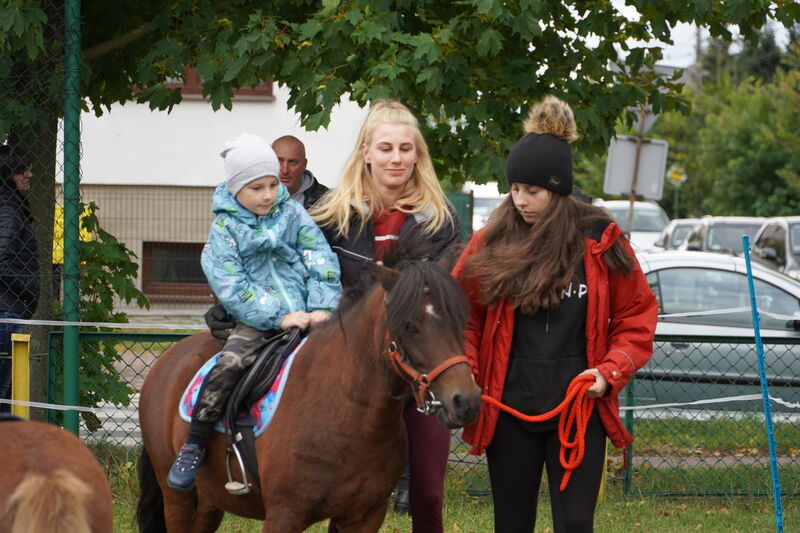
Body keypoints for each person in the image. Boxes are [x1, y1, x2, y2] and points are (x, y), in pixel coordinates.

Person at [451, 96, 658, 533]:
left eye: (533, 191)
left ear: (558, 189)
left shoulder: (602, 241)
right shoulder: (492, 241)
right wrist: (468, 371)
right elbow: (462, 314)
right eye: (515, 189)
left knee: (577, 523)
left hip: (579, 409)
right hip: (508, 409)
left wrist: (610, 372)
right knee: (511, 523)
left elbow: (636, 318)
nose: (520, 200)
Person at [310, 100, 462, 533]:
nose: (396, 158)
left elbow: (440, 292)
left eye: (405, 149)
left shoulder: (440, 222)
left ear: (418, 155)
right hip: (348, 365)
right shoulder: (331, 216)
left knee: (428, 491)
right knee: (335, 486)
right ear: (366, 152)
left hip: (419, 363)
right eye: (386, 148)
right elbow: (312, 276)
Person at [167, 134, 342, 492]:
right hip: (259, 320)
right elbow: (231, 286)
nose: (266, 195)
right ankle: (194, 444)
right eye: (256, 187)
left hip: (311, 314)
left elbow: (320, 258)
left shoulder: (292, 212)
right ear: (235, 190)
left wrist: (323, 306)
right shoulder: (224, 231)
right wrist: (278, 317)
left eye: (272, 185)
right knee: (228, 365)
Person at [0, 146, 38, 414]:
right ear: (8, 174)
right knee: (3, 398)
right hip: (6, 310)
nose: (30, 174)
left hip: (9, 308)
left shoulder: (10, 206)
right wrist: (30, 290)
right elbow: (1, 260)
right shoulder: (9, 209)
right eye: (23, 169)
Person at [272, 135, 329, 209]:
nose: (285, 170)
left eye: (292, 162)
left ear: (304, 164)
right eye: (279, 161)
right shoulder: (253, 197)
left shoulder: (328, 202)